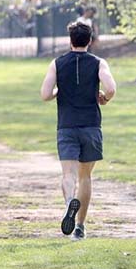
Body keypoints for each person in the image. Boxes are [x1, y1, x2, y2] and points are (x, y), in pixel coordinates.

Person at [39, 20, 117, 241]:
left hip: (67, 125)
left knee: (68, 174)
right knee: (86, 177)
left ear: (70, 40)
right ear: (90, 41)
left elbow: (45, 94)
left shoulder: (57, 63)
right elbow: (111, 88)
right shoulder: (98, 63)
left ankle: (67, 206)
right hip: (91, 125)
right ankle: (80, 226)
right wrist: (105, 97)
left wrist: (56, 91)